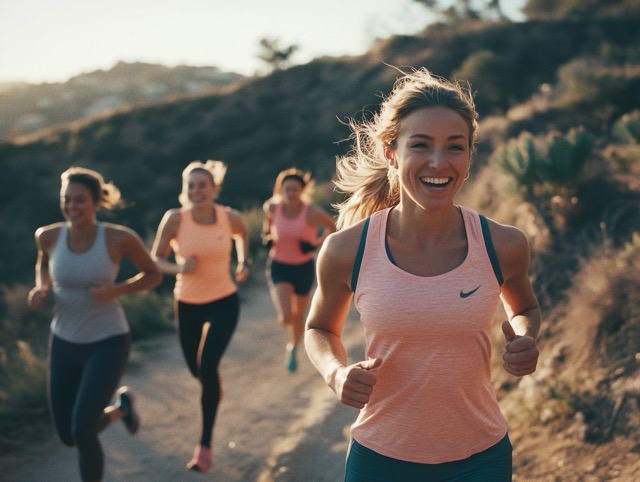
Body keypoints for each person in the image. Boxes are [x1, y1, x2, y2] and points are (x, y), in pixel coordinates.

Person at [304, 68, 541, 481]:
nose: (439, 162)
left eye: (455, 147)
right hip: (380, 457)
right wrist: (334, 372)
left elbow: (525, 307)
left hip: (480, 458)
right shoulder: (347, 250)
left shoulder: (502, 244)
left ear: (469, 155)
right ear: (390, 152)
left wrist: (524, 336)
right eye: (421, 145)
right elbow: (319, 328)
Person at [27, 166, 161, 482]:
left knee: (82, 429)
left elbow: (153, 274)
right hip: (63, 340)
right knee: (68, 435)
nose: (72, 207)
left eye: (80, 200)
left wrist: (117, 290)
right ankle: (122, 409)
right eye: (66, 200)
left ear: (96, 202)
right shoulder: (47, 236)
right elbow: (43, 264)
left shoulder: (118, 238)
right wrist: (41, 288)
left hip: (108, 341)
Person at [150, 160, 250, 473]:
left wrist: (243, 262)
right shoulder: (174, 219)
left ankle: (204, 446)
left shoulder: (228, 216)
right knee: (197, 370)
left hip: (224, 300)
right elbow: (156, 259)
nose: (196, 191)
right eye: (190, 186)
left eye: (202, 185)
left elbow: (243, 234)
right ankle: (211, 384)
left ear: (214, 188)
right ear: (185, 190)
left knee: (208, 366)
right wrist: (178, 268)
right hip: (188, 302)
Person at [262, 168, 336, 372]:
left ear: (302, 191)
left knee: (299, 315)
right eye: (287, 189)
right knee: (286, 316)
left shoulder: (312, 212)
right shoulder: (272, 208)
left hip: (303, 268)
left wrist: (315, 245)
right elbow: (267, 227)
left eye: (295, 189)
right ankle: (293, 337)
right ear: (281, 190)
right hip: (279, 265)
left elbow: (333, 227)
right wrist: (267, 236)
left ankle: (293, 347)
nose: (291, 193)